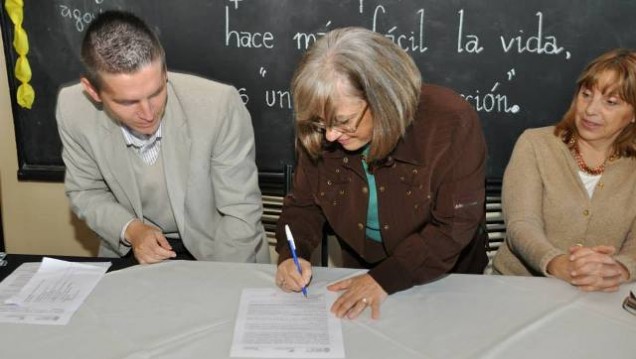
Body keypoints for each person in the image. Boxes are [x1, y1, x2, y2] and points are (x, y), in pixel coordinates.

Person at [274, 27, 488, 319]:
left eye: (344, 121)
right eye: (323, 124)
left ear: (384, 98)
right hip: (361, 273)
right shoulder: (322, 130)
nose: (332, 135)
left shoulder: (450, 122)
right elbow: (304, 206)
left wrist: (385, 278)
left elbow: (454, 226)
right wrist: (290, 255)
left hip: (445, 280)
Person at [56, 10, 269, 264]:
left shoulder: (218, 106)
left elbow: (240, 213)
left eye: (157, 92)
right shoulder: (73, 110)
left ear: (165, 71)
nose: (148, 113)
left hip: (217, 252)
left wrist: (219, 283)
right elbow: (87, 192)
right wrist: (132, 230)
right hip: (131, 247)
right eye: (128, 102)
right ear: (92, 91)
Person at [493, 49, 636, 291]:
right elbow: (522, 223)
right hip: (519, 286)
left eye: (610, 102)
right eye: (586, 94)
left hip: (601, 293)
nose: (591, 110)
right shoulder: (535, 144)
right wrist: (557, 263)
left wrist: (618, 268)